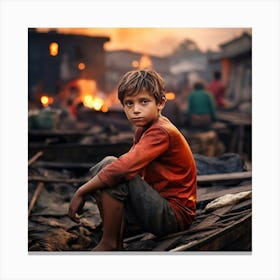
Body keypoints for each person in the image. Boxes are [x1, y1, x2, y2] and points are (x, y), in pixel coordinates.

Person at [68, 69, 197, 251]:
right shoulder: (144, 129)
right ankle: (114, 240)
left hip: (173, 216)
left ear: (160, 103)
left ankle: (109, 244)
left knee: (110, 166)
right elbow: (126, 166)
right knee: (106, 170)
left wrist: (81, 191)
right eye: (129, 103)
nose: (136, 110)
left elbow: (122, 168)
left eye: (144, 102)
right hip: (159, 205)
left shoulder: (161, 131)